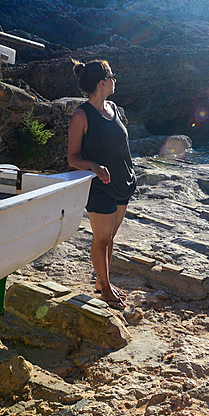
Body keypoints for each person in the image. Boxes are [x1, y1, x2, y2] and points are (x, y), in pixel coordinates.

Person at [66, 59, 136, 308]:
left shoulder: (114, 108)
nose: (115, 80)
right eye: (112, 76)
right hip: (99, 186)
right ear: (102, 82)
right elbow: (73, 158)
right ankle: (105, 290)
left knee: (110, 237)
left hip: (122, 183)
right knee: (102, 238)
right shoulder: (81, 115)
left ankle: (102, 281)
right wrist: (93, 166)